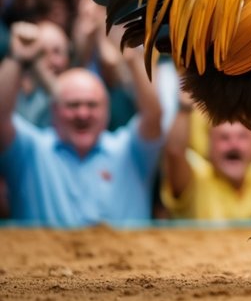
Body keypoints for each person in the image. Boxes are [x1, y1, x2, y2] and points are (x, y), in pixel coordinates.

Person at [0, 20, 164, 225]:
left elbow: (153, 116)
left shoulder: (128, 151)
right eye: (73, 105)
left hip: (129, 256)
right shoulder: (31, 151)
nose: (83, 113)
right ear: (54, 110)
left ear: (107, 112)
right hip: (44, 256)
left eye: (92, 105)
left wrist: (131, 57)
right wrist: (16, 58)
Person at [160, 89, 251, 221]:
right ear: (209, 145)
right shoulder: (196, 179)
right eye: (224, 137)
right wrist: (184, 107)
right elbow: (175, 151)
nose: (234, 144)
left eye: (242, 137)